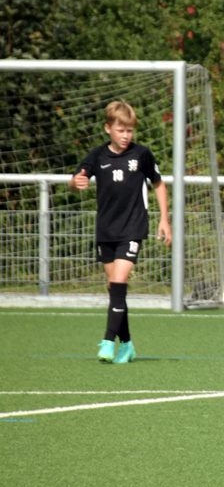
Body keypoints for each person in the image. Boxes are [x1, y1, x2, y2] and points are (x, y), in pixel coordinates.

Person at [70, 100, 172, 364]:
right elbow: (77, 178)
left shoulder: (141, 155)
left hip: (133, 228)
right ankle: (126, 345)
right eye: (121, 130)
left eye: (129, 130)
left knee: (119, 282)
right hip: (106, 230)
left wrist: (164, 219)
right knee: (115, 289)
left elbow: (159, 184)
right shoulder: (97, 156)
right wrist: (76, 182)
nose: (126, 135)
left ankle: (107, 342)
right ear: (108, 129)